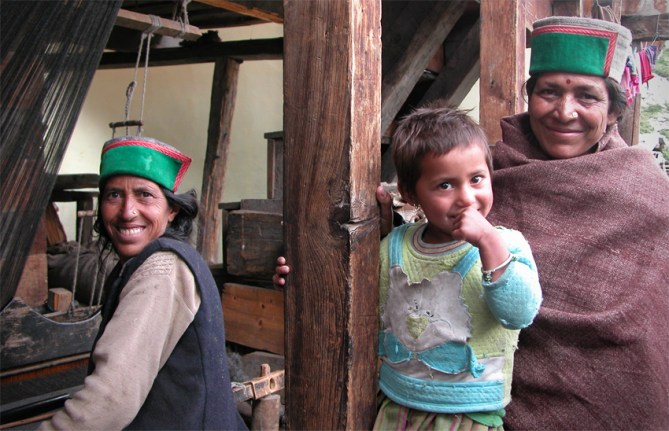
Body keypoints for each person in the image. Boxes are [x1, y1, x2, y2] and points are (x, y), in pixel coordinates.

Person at [373, 17, 669, 430]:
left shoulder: (646, 194)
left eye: (587, 96)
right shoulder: (490, 172)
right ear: (530, 96)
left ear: (615, 110)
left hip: (607, 395)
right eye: (549, 92)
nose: (565, 111)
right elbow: (425, 240)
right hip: (475, 407)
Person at [276, 106, 543, 429]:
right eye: (445, 185)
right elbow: (350, 297)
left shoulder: (507, 246)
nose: (466, 198)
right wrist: (299, 279)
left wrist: (487, 241)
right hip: (395, 410)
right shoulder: (395, 248)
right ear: (410, 194)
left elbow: (519, 313)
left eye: (476, 179)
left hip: (470, 416)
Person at [40, 136, 247, 430]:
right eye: (114, 195)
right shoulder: (148, 263)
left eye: (144, 195)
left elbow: (110, 400)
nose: (127, 212)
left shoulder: (161, 271)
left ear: (172, 209)